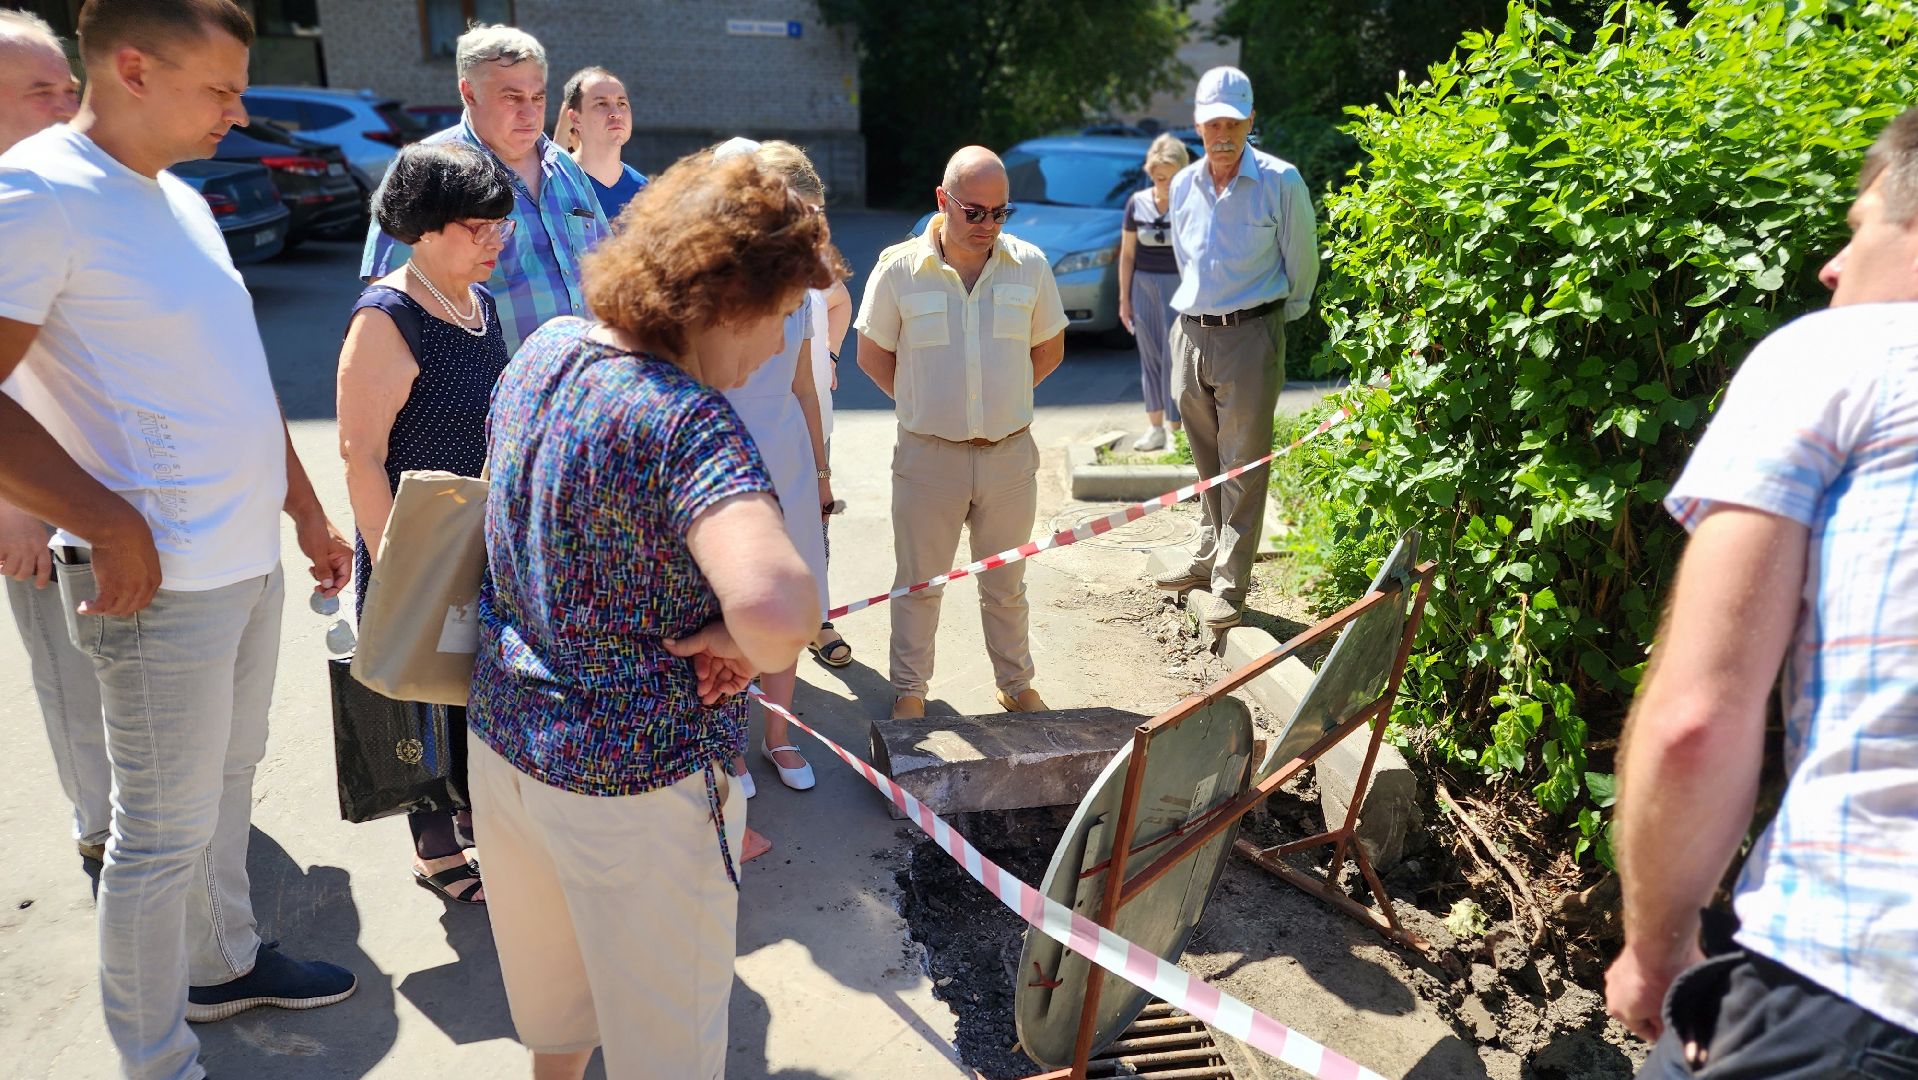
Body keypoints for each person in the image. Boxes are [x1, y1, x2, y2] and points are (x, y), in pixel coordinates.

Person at [0, 3, 359, 1078]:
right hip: (160, 586)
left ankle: (220, 966)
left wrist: (303, 507)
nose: (238, 112)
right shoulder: (37, 195)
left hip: (241, 563)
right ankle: (156, 1062)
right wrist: (106, 520)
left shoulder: (180, 198)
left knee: (229, 786)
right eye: (220, 89)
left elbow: (233, 377)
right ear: (133, 68)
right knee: (155, 842)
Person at [469, 150, 826, 1080]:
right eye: (783, 314)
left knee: (559, 1017)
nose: (777, 345)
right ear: (729, 300)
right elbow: (781, 607)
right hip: (638, 785)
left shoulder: (548, 349)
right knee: (664, 1050)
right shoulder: (685, 421)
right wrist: (735, 638)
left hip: (508, 746)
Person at [1603, 108, 1918, 1077]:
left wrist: (1655, 950)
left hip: (1860, 973)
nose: (1830, 266)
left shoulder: (1841, 357)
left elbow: (1696, 720)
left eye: (1859, 228)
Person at [337, 141, 514, 905]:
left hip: (472, 531)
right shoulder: (388, 316)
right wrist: (398, 569)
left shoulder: (480, 304)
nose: (495, 239)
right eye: (479, 226)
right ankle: (434, 846)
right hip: (410, 541)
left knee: (469, 680)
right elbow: (359, 456)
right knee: (421, 689)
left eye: (500, 224)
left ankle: (474, 811)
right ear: (424, 228)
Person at [855, 145, 1069, 721]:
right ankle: (910, 691)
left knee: (1007, 583)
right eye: (974, 212)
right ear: (942, 200)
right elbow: (872, 355)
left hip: (1008, 456)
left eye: (1000, 212)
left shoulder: (1029, 265)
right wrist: (927, 404)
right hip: (929, 458)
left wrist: (1000, 403)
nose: (988, 225)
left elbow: (1048, 349)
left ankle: (1016, 684)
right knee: (919, 584)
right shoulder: (899, 270)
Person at [1151, 66, 1319, 630]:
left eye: (1232, 122)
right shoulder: (1183, 184)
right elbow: (1186, 260)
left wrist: (1267, 326)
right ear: (1198, 125)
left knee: (1243, 466)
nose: (1222, 134)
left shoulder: (1281, 181)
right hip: (1190, 333)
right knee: (1205, 458)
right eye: (1212, 124)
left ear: (1250, 120)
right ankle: (1205, 558)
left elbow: (1302, 265)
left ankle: (1229, 582)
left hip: (1251, 334)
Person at [0, 9, 109, 873]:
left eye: (70, 87)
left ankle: (161, 814)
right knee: (72, 675)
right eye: (43, 91)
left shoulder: (71, 193)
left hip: (120, 489)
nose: (68, 105)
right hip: (38, 504)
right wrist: (11, 508)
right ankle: (102, 827)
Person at [708, 137, 833, 809]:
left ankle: (779, 736)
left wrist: (821, 472)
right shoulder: (714, 281)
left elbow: (806, 387)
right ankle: (726, 743)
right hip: (721, 454)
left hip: (787, 454)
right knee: (723, 601)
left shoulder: (805, 287)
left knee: (788, 600)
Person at [362, 24, 608, 357]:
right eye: (512, 97)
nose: (529, 113)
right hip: (488, 384)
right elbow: (390, 302)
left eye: (538, 97)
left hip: (581, 376)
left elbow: (608, 264)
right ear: (469, 93)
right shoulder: (429, 171)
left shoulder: (564, 166)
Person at [1118, 133, 1191, 452]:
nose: (1165, 183)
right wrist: (1124, 299)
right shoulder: (1137, 203)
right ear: (1150, 173)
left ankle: (1176, 429)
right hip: (1143, 286)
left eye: (1171, 177)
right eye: (1159, 177)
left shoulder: (1189, 203)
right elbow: (1127, 255)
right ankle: (1155, 428)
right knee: (1149, 356)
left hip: (1179, 286)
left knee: (1176, 356)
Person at [806, 227, 856, 670]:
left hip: (815, 421)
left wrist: (831, 355)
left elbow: (839, 299)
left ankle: (816, 619)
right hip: (754, 429)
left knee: (814, 525)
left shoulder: (811, 259)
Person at [554, 65, 648, 221]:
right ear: (576, 119)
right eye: (601, 104)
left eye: (622, 104)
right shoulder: (553, 186)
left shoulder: (646, 194)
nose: (616, 114)